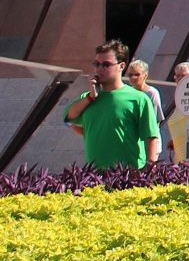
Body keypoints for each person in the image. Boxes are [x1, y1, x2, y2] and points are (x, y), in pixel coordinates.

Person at [62, 42, 160, 170]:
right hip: (94, 177)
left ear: (122, 66)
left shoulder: (139, 99)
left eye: (106, 64)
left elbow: (151, 136)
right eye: (97, 64)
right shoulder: (88, 98)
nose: (99, 69)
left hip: (127, 176)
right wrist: (90, 97)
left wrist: (149, 169)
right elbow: (68, 117)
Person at [126, 59, 166, 140]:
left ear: (145, 75)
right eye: (130, 75)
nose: (133, 78)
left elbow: (155, 121)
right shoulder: (128, 93)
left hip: (147, 139)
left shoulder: (151, 93)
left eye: (137, 75)